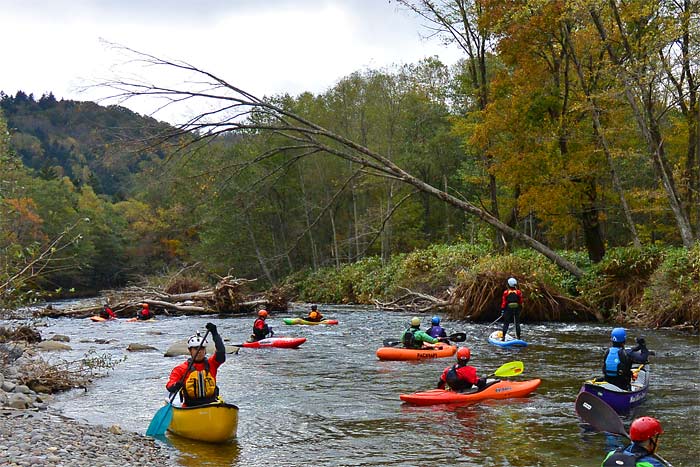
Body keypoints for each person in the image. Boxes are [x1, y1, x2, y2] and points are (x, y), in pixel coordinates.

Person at [166, 322, 225, 407]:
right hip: (190, 406)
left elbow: (221, 352)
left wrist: (215, 333)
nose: (199, 351)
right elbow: (169, 385)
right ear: (190, 351)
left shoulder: (212, 364)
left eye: (201, 348)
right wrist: (176, 385)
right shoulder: (181, 369)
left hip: (211, 404)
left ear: (205, 350)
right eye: (196, 349)